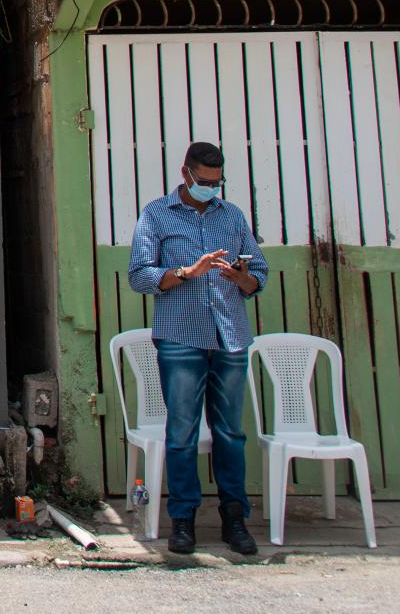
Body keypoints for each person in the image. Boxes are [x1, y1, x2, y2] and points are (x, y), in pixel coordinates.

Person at [127, 141, 268, 556]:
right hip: (181, 336)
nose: (211, 188)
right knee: (182, 433)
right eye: (204, 181)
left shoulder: (233, 216)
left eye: (217, 182)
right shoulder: (156, 215)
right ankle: (184, 521)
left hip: (230, 335)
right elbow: (140, 275)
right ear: (186, 174)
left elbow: (258, 273)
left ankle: (234, 519)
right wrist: (188, 272)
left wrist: (240, 277)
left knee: (230, 433)